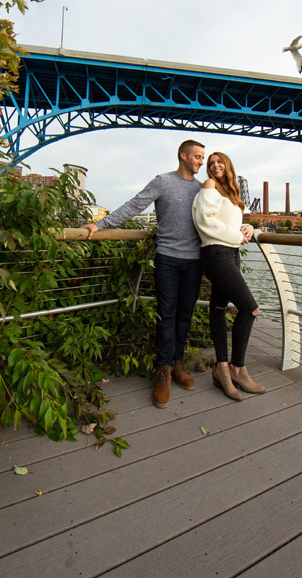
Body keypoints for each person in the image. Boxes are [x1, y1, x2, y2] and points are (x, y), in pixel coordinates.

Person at [82, 139, 205, 409]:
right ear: (183, 156)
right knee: (167, 313)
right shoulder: (162, 181)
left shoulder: (201, 188)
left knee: (185, 314)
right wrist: (100, 224)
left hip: (195, 261)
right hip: (168, 259)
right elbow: (134, 205)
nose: (201, 161)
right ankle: (163, 370)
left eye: (202, 158)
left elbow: (222, 214)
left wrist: (247, 229)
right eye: (197, 156)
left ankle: (178, 362)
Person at [191, 151, 266, 400]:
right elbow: (204, 220)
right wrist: (236, 236)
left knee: (219, 308)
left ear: (228, 164)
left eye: (219, 161)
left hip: (230, 254)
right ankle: (236, 367)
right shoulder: (209, 185)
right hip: (216, 253)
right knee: (250, 308)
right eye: (210, 164)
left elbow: (231, 222)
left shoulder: (231, 192)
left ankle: (222, 369)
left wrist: (250, 228)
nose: (214, 166)